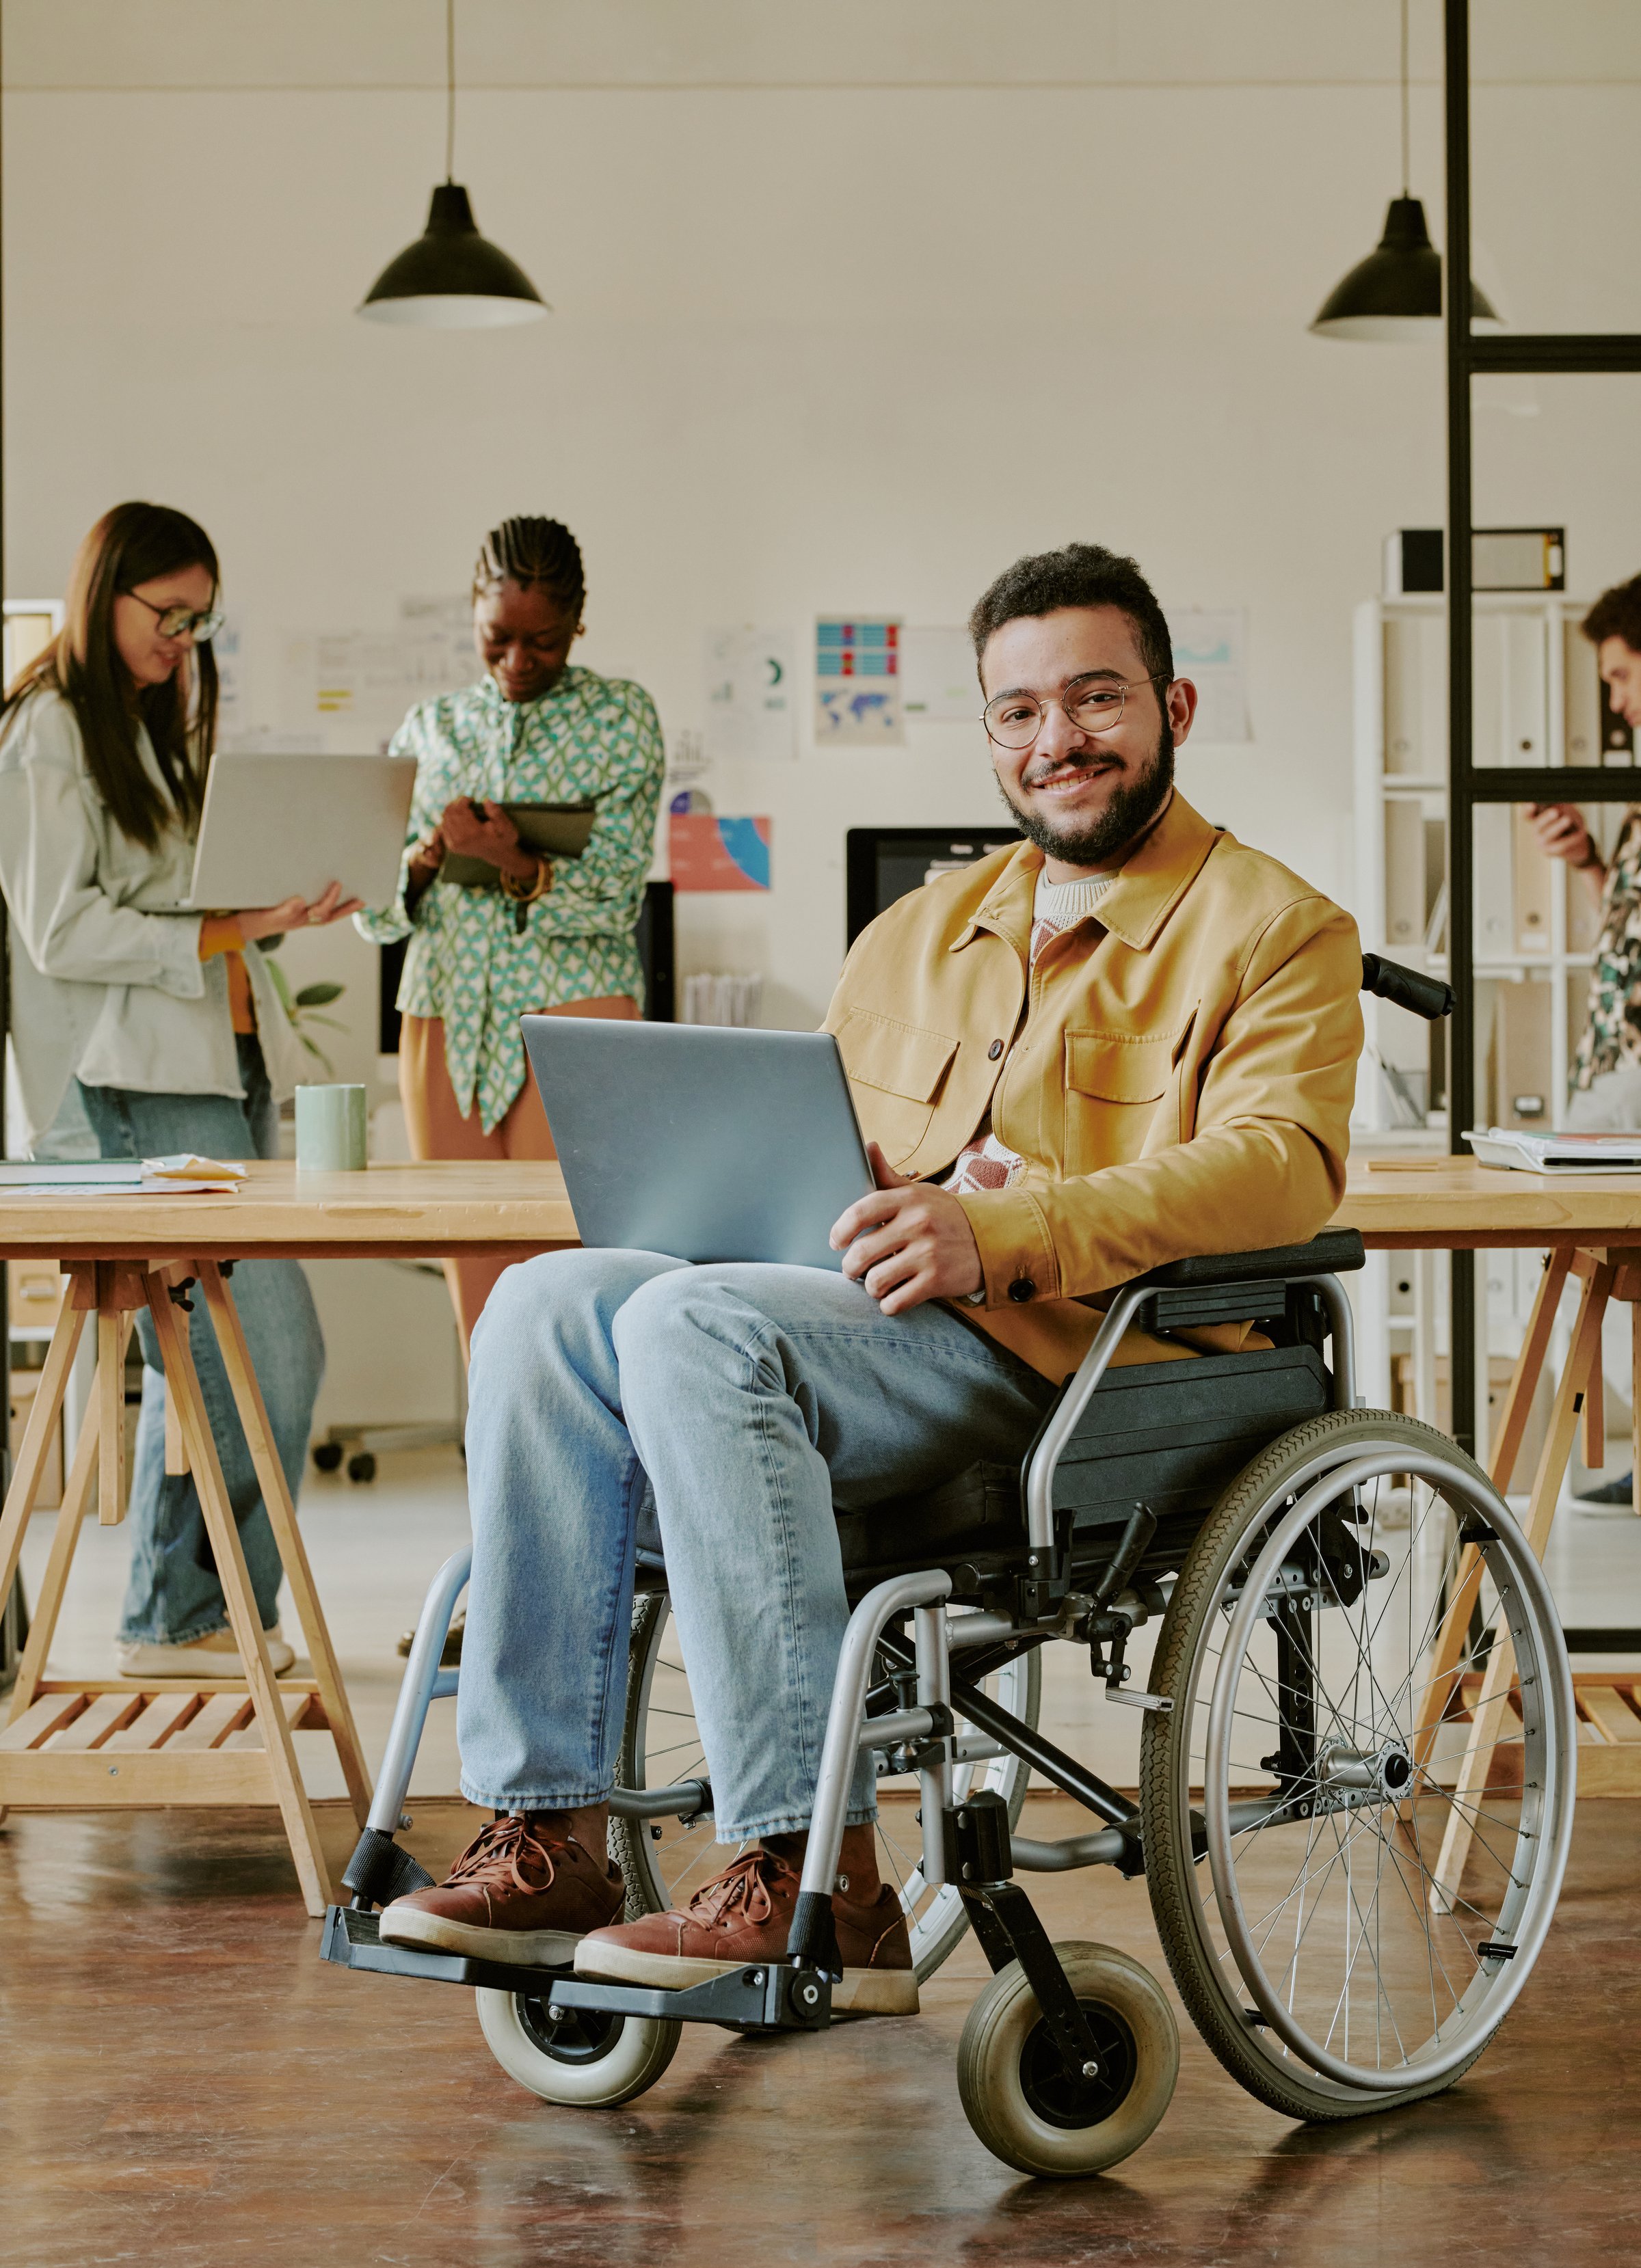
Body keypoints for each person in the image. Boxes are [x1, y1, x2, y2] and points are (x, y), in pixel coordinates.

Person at [380, 542, 1363, 2008]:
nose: (1059, 741)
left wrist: (1007, 1234)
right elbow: (817, 1164)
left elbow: (1280, 1166)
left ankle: (811, 1871)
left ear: (1174, 705)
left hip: (1074, 1375)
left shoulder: (1276, 929)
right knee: (545, 1298)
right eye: (1019, 712)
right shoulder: (916, 934)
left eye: (1096, 699)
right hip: (864, 1336)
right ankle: (553, 1830)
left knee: (695, 1328)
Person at [0, 502, 360, 1677]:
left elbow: (180, 905)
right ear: (104, 592)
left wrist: (275, 907)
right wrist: (234, 923)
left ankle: (186, 1616)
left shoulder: (147, 731)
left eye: (200, 622)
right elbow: (60, 929)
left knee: (218, 1363)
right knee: (266, 1355)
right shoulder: (48, 730)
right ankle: (186, 1616)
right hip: (128, 1082)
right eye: (169, 616)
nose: (184, 642)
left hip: (206, 1067)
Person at [356, 515, 663, 1352]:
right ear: (471, 615)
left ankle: (596, 1481)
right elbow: (372, 910)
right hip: (443, 1012)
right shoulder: (427, 728)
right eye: (498, 641)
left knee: (576, 1267)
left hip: (574, 1013)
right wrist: (425, 860)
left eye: (545, 643)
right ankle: (494, 1478)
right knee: (472, 1264)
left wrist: (515, 860)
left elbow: (616, 893)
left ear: (578, 624)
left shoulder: (622, 717)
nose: (520, 663)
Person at [1525, 573, 1641, 1509]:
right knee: (1595, 1261)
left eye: (1621, 674)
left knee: (1576, 1241)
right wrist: (1590, 864)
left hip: (1635, 1069)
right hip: (1619, 1057)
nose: (1616, 699)